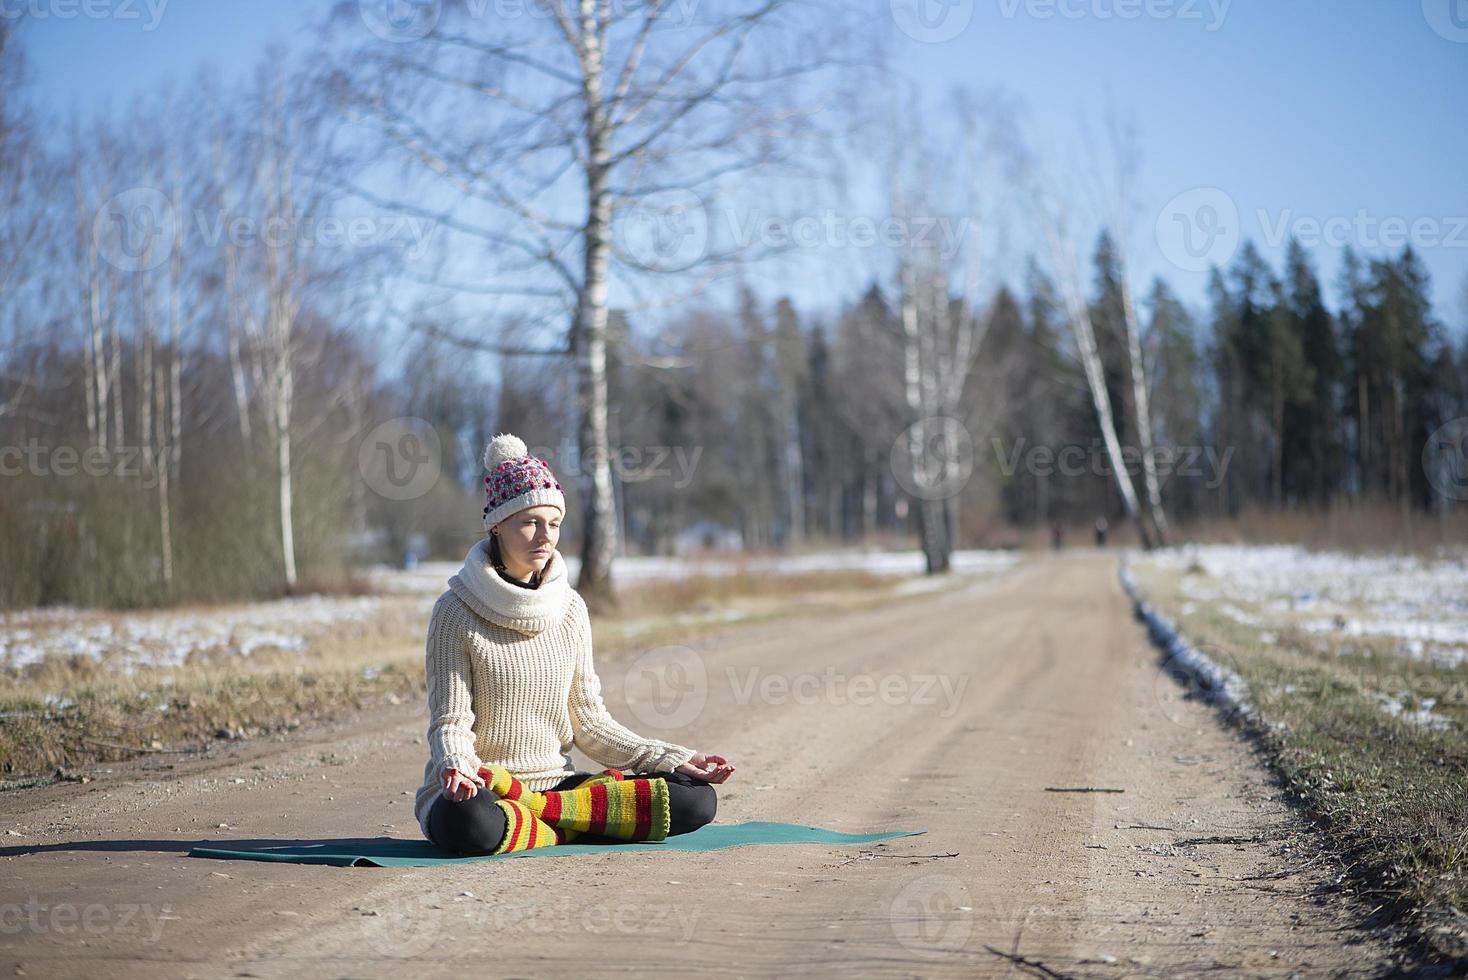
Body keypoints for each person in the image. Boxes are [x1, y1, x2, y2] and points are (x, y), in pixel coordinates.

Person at [413, 432, 735, 856]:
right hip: (482, 789)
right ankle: (569, 822)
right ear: (497, 524)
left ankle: (540, 819)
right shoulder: (456, 609)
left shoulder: (570, 608)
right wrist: (456, 764)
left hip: (555, 786)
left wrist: (670, 758)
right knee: (468, 822)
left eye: (554, 523)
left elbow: (590, 722)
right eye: (528, 522)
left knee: (696, 798)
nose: (544, 537)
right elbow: (449, 721)